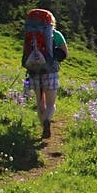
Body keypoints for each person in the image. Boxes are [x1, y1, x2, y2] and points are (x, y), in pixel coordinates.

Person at [23, 8, 69, 138]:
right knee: (51, 104)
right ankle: (48, 120)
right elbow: (65, 53)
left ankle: (43, 125)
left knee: (39, 102)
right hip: (51, 71)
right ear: (51, 23)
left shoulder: (30, 34)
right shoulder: (56, 34)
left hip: (33, 70)